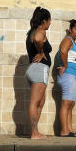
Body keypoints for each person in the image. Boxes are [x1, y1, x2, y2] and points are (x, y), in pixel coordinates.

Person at [24, 7, 52, 139]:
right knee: (35, 102)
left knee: (40, 102)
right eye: (49, 20)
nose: (50, 23)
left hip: (36, 69)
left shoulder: (32, 31)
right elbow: (38, 39)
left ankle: (36, 131)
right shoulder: (40, 31)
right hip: (39, 69)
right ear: (45, 20)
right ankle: (34, 133)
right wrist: (41, 52)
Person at [55, 19, 76, 137]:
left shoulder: (73, 42)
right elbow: (63, 51)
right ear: (70, 29)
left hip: (72, 76)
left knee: (71, 104)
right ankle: (64, 131)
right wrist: (65, 65)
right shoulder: (68, 39)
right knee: (66, 103)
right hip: (68, 75)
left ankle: (69, 129)